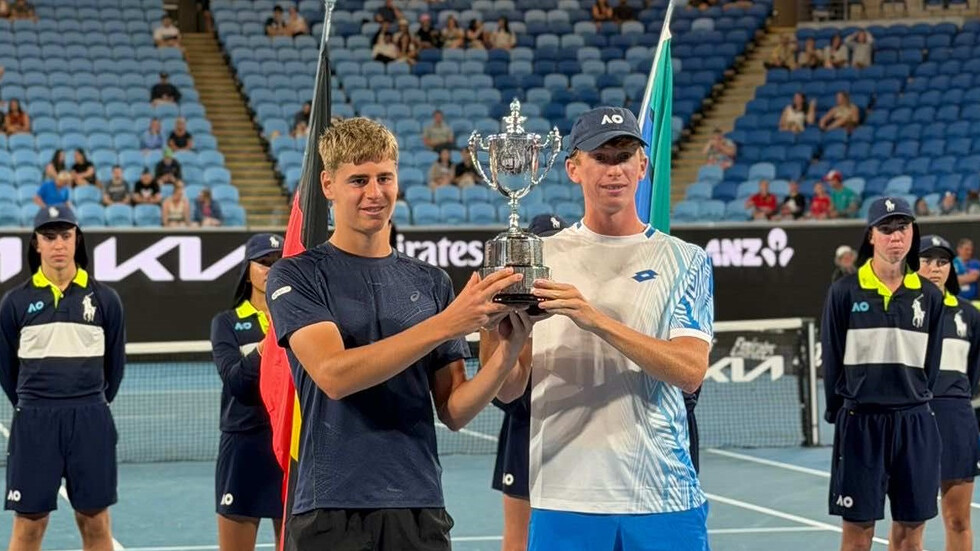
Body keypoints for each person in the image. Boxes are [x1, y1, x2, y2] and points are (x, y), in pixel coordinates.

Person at [264, 117, 528, 550]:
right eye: (359, 180)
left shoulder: (431, 281)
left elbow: (454, 410)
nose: (375, 193)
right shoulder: (297, 275)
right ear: (328, 185)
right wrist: (448, 323)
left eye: (384, 178)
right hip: (330, 507)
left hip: (420, 505)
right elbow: (334, 375)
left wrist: (509, 349)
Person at [484, 107, 713, 550]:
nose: (615, 169)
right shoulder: (539, 257)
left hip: (663, 495)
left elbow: (690, 371)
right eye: (601, 157)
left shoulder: (686, 260)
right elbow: (509, 390)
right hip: (563, 493)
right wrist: (496, 331)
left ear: (642, 166)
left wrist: (596, 320)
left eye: (624, 156)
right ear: (574, 168)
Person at [821, 197, 944, 551]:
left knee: (910, 539)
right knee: (857, 538)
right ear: (871, 236)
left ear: (913, 233)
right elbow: (832, 359)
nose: (896, 237)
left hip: (914, 424)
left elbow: (931, 365)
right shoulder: (844, 291)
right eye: (886, 229)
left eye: (902, 228)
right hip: (860, 426)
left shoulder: (930, 296)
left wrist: (911, 398)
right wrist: (842, 411)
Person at [0, 205, 125, 551]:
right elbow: (7, 372)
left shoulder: (106, 299)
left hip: (90, 420)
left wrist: (89, 403)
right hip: (34, 421)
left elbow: (114, 368)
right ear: (36, 243)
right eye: (49, 236)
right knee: (29, 525)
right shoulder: (15, 302)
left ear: (76, 240)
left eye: (65, 236)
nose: (58, 244)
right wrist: (36, 403)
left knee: (95, 521)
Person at [483, 214, 569, 551]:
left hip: (574, 430)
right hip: (524, 427)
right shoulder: (507, 309)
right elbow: (502, 394)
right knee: (518, 539)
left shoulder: (575, 304)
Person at [211, 234, 285, 551]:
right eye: (264, 262)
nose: (271, 268)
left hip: (289, 445)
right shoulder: (226, 323)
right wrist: (270, 342)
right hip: (244, 446)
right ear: (247, 271)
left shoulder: (304, 321)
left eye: (279, 262)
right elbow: (236, 382)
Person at [916, 235, 980, 551]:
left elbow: (974, 373)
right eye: (927, 260)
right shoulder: (898, 310)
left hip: (956, 420)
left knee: (958, 520)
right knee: (908, 523)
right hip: (913, 420)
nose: (935, 268)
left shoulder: (969, 315)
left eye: (942, 262)